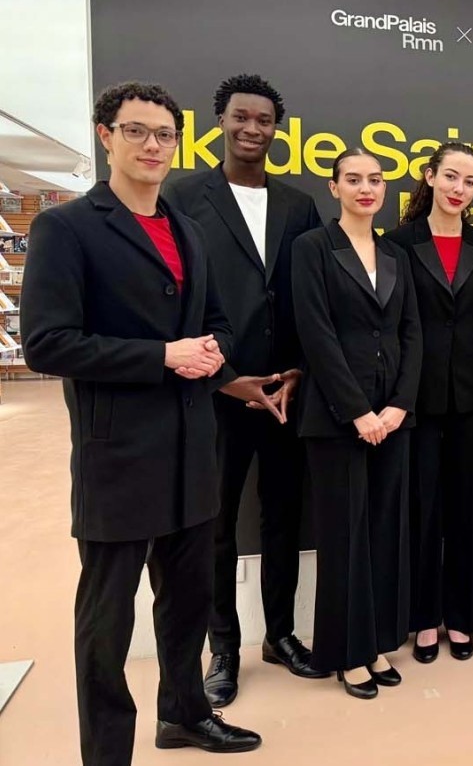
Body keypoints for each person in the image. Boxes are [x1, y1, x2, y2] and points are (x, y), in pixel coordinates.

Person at [21, 81, 261, 764]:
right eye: (136, 131)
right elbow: (47, 343)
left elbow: (210, 322)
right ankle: (106, 751)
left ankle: (184, 715)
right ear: (107, 136)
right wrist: (163, 356)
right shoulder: (66, 227)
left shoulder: (186, 228)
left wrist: (213, 354)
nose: (152, 145)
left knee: (188, 601)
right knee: (107, 621)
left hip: (192, 450)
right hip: (118, 456)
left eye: (163, 134)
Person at [166, 74, 325, 706]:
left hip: (286, 392)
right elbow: (176, 297)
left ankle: (281, 637)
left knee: (284, 518)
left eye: (264, 119)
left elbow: (308, 299)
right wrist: (226, 378)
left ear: (276, 128)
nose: (252, 128)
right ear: (221, 121)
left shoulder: (299, 205)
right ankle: (223, 648)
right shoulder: (184, 197)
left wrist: (297, 370)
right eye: (241, 117)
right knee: (218, 528)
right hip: (218, 393)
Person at [291, 148, 422, 697]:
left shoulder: (395, 253)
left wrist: (397, 406)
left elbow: (412, 334)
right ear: (334, 187)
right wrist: (359, 412)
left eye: (375, 179)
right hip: (337, 419)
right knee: (344, 539)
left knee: (385, 535)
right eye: (353, 179)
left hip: (393, 418)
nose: (365, 188)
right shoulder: (312, 249)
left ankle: (375, 644)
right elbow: (316, 336)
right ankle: (346, 655)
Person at [385, 143, 473, 661]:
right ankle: (424, 618)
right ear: (429, 177)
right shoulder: (399, 244)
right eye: (451, 176)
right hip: (418, 399)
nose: (459, 189)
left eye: (469, 182)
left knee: (468, 511)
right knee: (423, 511)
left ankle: (463, 617)